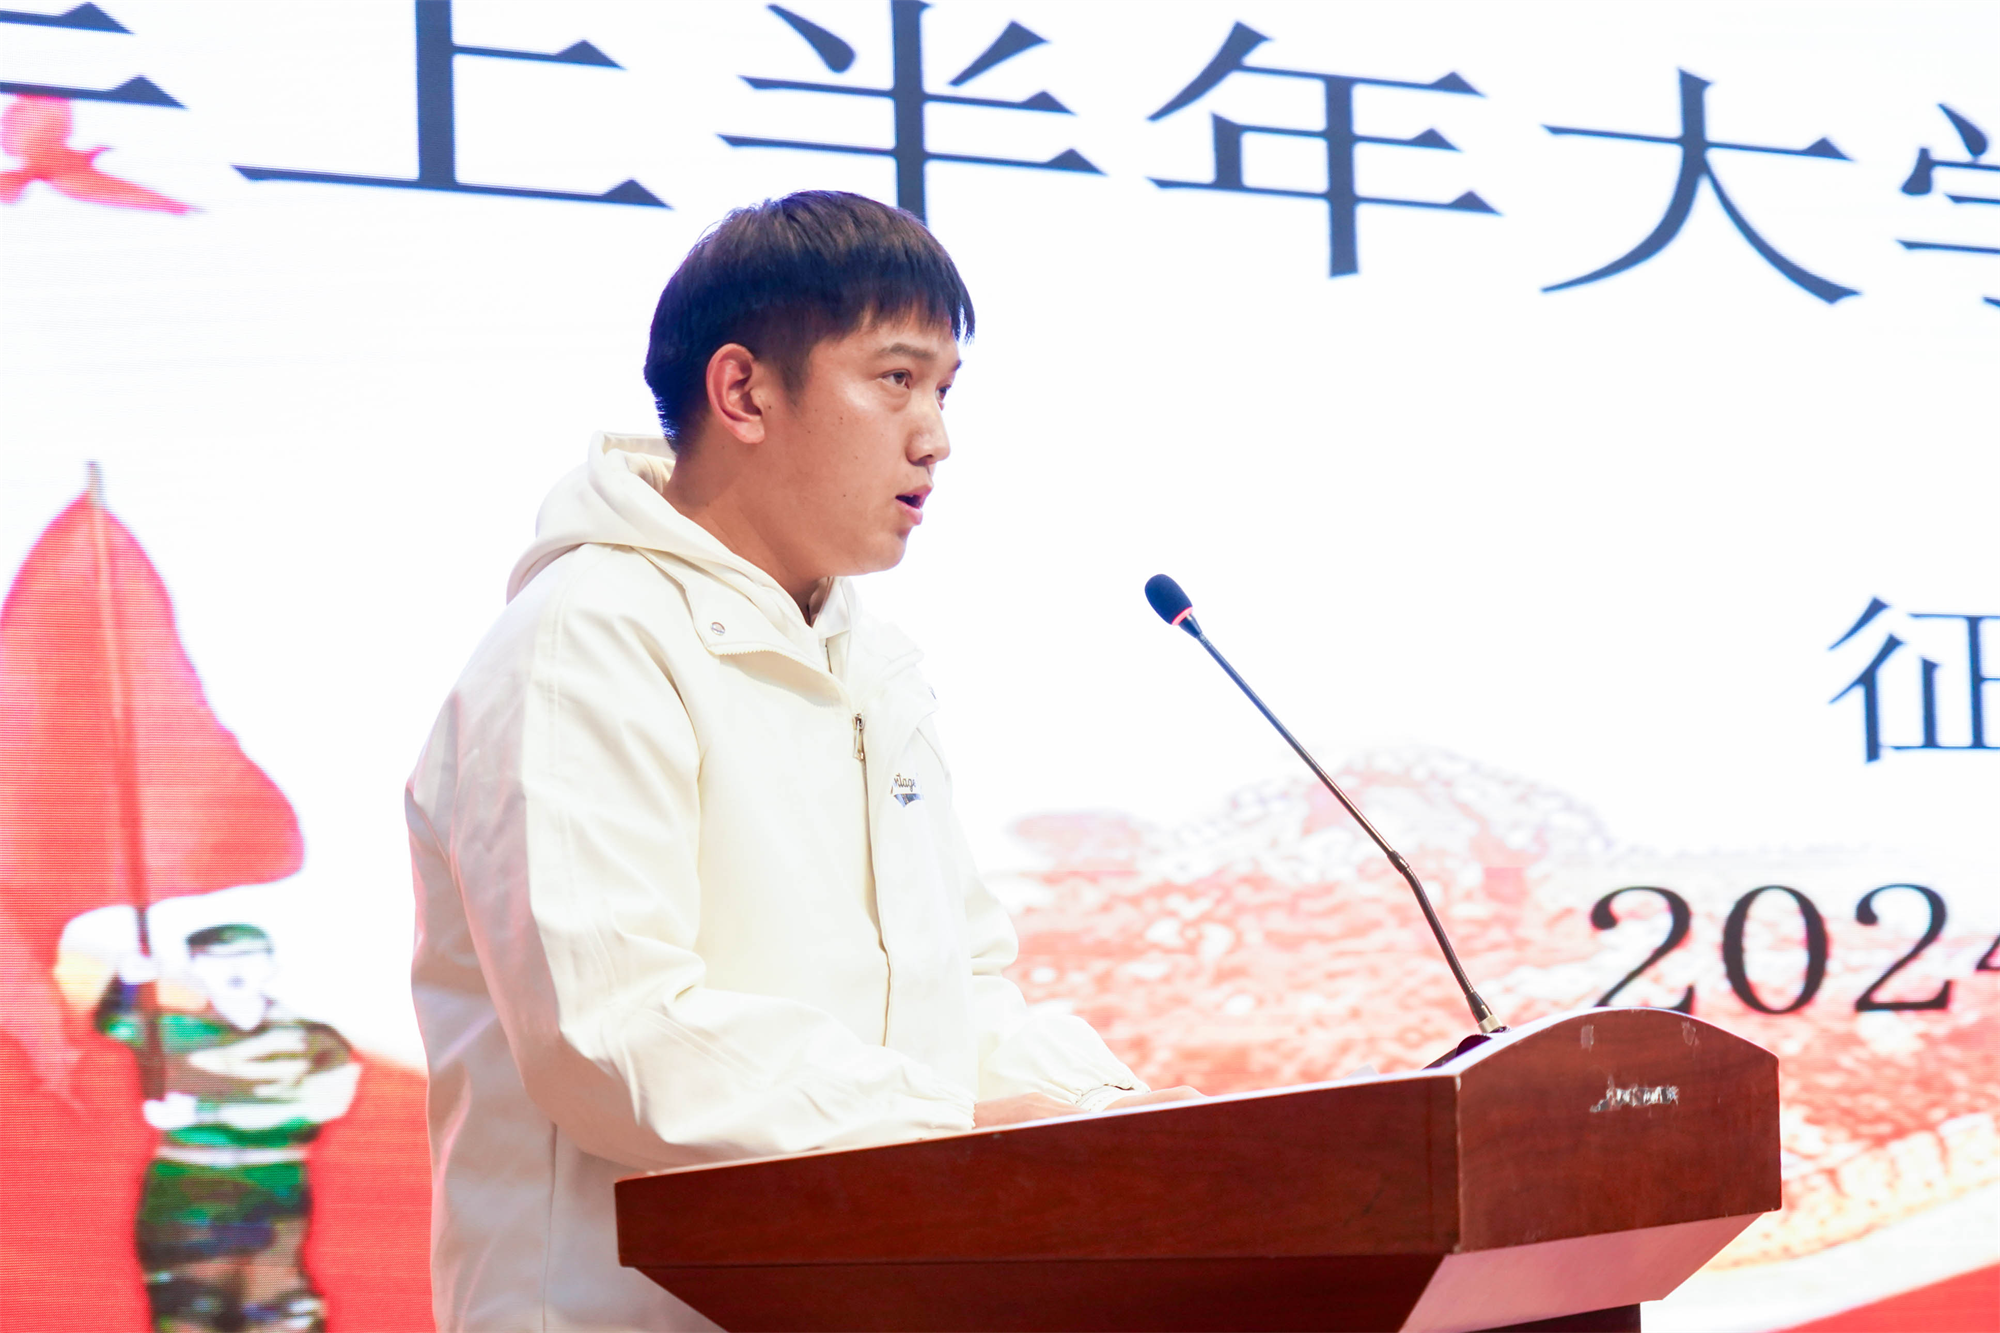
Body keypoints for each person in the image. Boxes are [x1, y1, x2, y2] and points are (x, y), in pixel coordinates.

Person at [406, 190, 1199, 1332]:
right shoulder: (586, 641)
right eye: (895, 379)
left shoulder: (871, 662)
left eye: (944, 390)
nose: (934, 436)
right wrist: (953, 1135)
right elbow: (616, 1035)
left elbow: (961, 995)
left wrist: (1127, 1120)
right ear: (743, 392)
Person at [99, 923, 359, 1333]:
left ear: (270, 964)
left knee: (277, 1308)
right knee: (189, 1308)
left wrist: (205, 1112)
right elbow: (114, 1025)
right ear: (194, 967)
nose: (234, 969)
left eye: (248, 957)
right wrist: (126, 983)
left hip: (272, 1181)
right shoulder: (172, 1031)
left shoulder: (315, 1039)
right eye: (215, 960)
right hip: (186, 1184)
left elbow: (321, 1106)